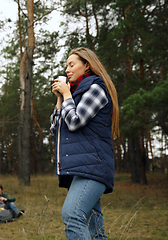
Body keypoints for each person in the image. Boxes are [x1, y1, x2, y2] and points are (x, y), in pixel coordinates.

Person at [50, 47, 119, 239]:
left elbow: (75, 121)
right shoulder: (74, 94)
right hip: (81, 169)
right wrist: (59, 100)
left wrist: (67, 96)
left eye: (72, 64)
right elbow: (56, 130)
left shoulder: (96, 88)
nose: (67, 70)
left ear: (87, 65)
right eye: (66, 66)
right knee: (95, 231)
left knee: (72, 216)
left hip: (94, 166)